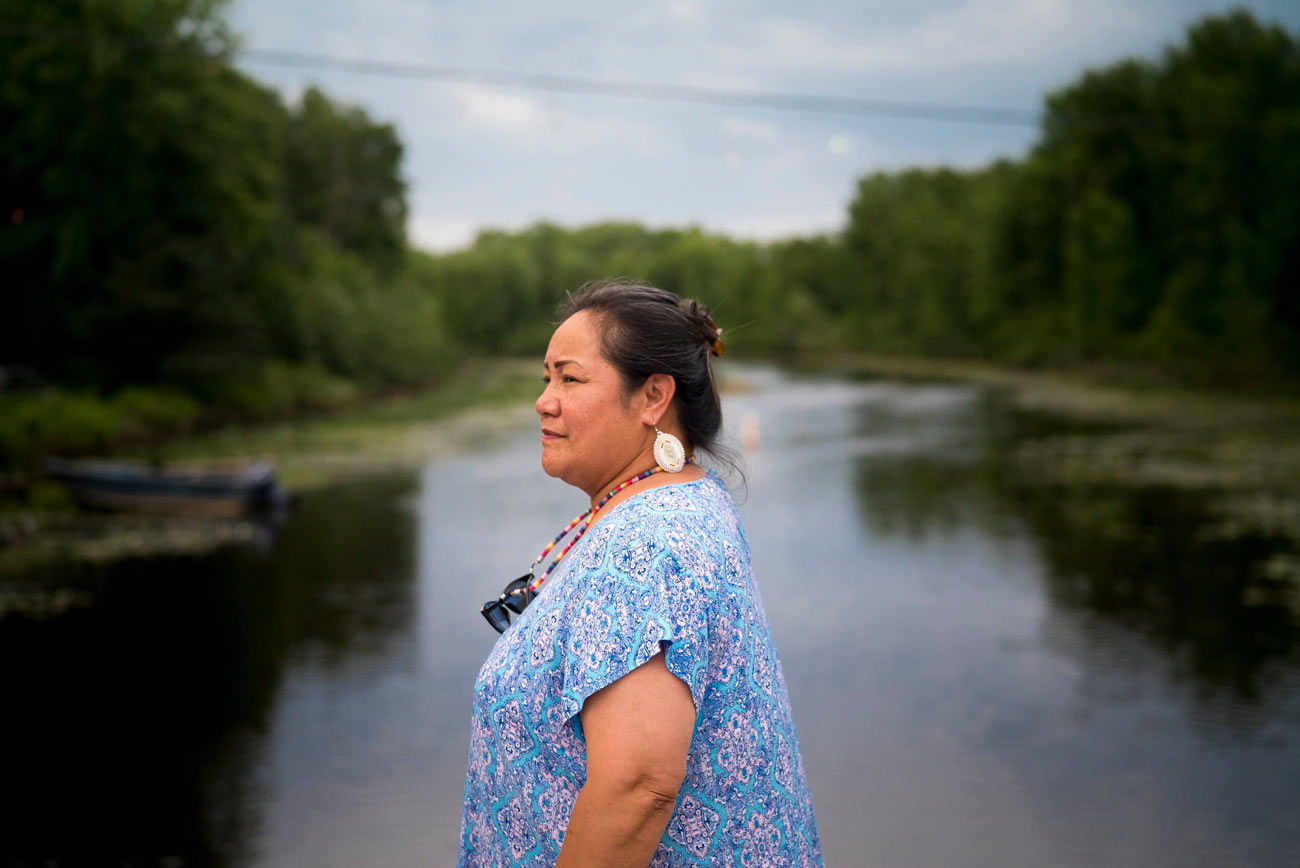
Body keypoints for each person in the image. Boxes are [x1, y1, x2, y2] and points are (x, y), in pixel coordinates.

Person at [458, 280, 823, 867]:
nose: (544, 400)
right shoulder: (669, 504)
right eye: (546, 378)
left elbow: (639, 789)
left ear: (653, 396)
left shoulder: (651, 541)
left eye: (569, 379)